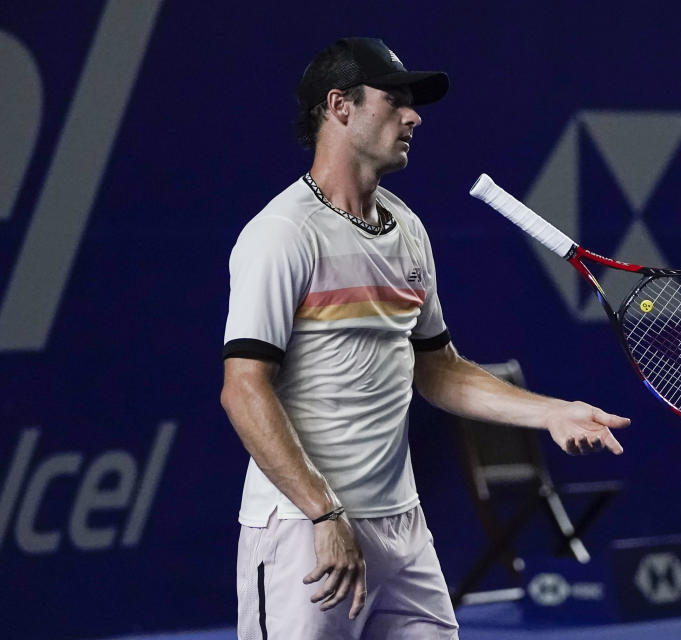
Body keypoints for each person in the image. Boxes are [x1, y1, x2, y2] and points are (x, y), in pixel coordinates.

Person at [220, 37, 630, 640]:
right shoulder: (281, 235)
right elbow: (243, 390)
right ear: (340, 107)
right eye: (395, 100)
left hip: (400, 529)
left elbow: (438, 369)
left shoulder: (407, 230)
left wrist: (553, 413)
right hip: (301, 530)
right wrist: (323, 511)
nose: (414, 116)